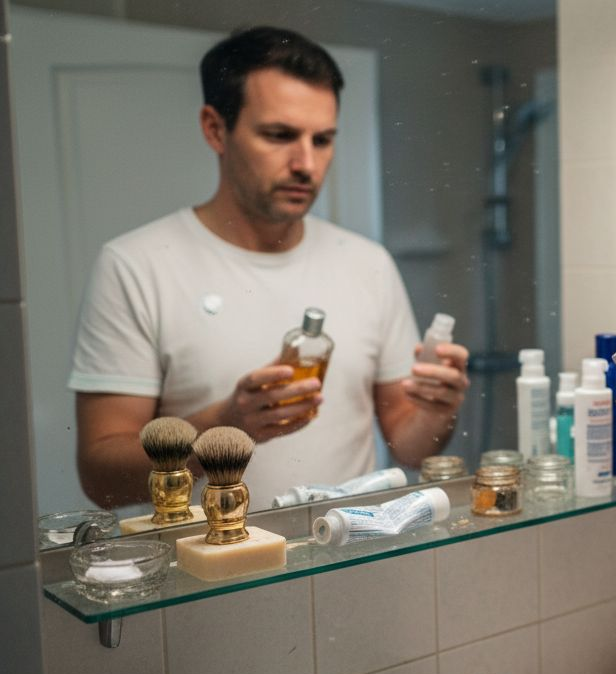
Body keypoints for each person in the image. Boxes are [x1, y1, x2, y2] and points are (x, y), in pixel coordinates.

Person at [70, 26, 469, 510]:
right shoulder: (137, 266)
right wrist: (227, 425)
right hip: (208, 571)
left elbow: (410, 445)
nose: (307, 163)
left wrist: (437, 410)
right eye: (279, 135)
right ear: (215, 129)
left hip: (351, 557)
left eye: (322, 140)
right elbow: (101, 478)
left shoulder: (368, 264)